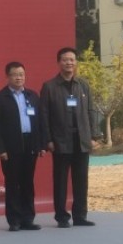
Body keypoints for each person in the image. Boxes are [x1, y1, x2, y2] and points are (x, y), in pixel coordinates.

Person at [40, 47, 101, 228]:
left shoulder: (83, 85)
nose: (69, 63)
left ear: (76, 62)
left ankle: (80, 216)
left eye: (72, 60)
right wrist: (48, 140)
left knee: (81, 181)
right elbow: (44, 115)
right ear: (59, 63)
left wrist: (94, 135)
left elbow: (91, 111)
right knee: (60, 182)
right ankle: (62, 217)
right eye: (65, 60)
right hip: (61, 142)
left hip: (81, 140)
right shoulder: (50, 87)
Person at [0, 62, 45, 232]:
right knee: (13, 184)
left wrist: (40, 144)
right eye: (15, 75)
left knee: (28, 183)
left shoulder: (32, 96)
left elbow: (40, 122)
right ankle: (14, 220)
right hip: (10, 148)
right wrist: (1, 149)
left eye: (21, 74)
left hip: (30, 145)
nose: (19, 78)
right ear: (8, 76)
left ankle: (28, 219)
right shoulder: (0, 98)